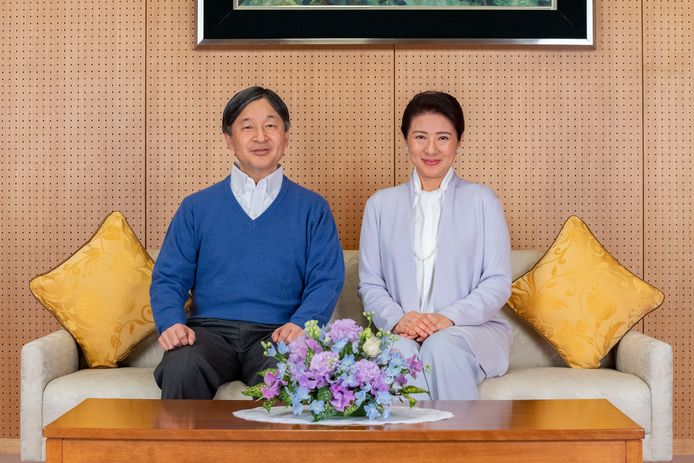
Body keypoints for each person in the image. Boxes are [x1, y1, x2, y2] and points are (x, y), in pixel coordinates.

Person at [151, 86, 345, 399]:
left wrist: (301, 324)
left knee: (291, 372)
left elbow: (326, 279)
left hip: (278, 333)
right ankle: (183, 452)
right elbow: (169, 278)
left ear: (285, 136)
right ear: (229, 139)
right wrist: (171, 322)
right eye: (247, 127)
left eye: (271, 125)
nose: (260, 137)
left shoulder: (313, 208)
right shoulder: (196, 208)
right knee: (182, 365)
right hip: (209, 333)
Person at [358, 91, 512, 400]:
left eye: (443, 138)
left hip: (470, 330)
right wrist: (399, 319)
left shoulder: (482, 200)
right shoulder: (380, 205)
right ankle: (409, 449)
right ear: (406, 140)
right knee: (399, 352)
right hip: (401, 330)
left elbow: (497, 282)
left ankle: (459, 448)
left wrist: (447, 318)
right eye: (420, 137)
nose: (431, 149)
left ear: (458, 141)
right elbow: (370, 283)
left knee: (440, 347)